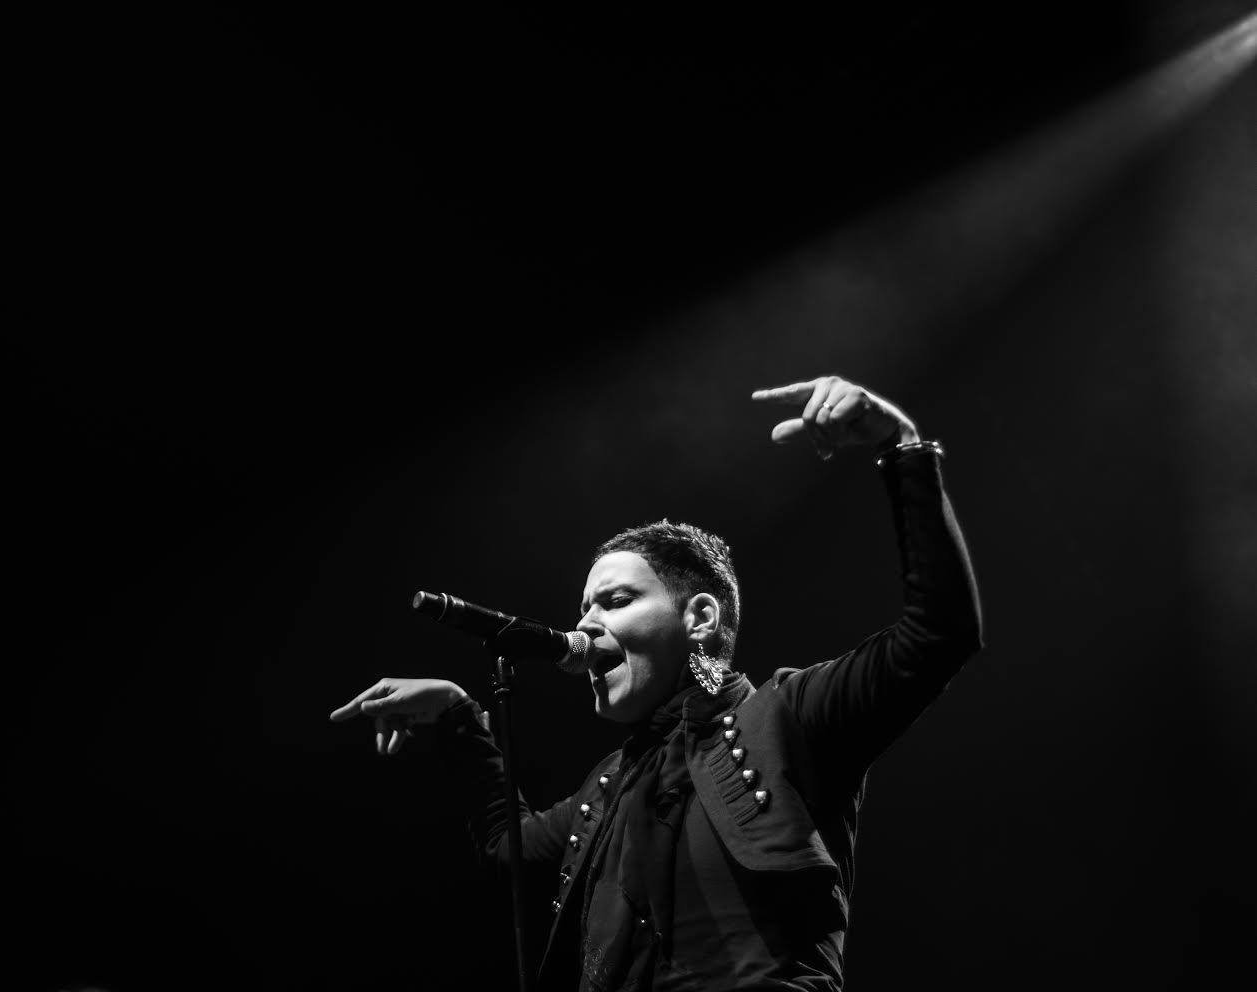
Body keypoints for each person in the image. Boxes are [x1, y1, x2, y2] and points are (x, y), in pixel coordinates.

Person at [330, 376, 983, 991]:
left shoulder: (787, 717)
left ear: (699, 616)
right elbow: (509, 845)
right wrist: (455, 714)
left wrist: (901, 448)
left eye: (613, 600)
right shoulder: (609, 787)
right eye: (584, 607)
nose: (585, 625)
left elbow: (937, 636)